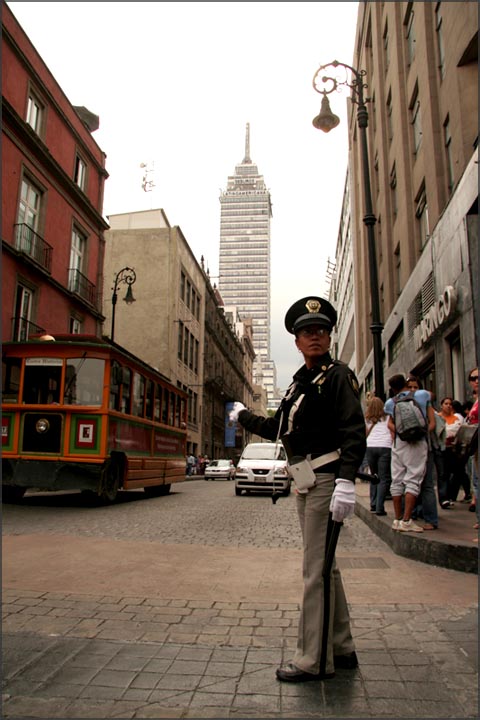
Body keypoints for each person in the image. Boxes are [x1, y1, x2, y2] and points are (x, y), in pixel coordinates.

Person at [229, 296, 366, 682]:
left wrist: (345, 480)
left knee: (314, 571)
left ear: (329, 336)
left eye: (321, 330)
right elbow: (279, 429)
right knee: (326, 568)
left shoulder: (338, 376)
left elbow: (353, 430)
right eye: (307, 332)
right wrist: (244, 417)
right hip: (306, 481)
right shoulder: (299, 384)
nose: (315, 336)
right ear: (297, 340)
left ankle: (314, 660)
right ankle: (341, 646)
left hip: (325, 479)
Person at [384, 374, 435, 533]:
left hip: (399, 443)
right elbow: (431, 396)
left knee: (397, 480)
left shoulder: (390, 402)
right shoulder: (421, 395)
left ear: (392, 388)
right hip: (417, 442)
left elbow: (391, 422)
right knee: (413, 478)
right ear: (406, 383)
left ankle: (397, 519)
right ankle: (407, 520)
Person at [405, 375, 439, 530]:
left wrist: (420, 432)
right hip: (408, 449)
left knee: (426, 485)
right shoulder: (402, 403)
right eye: (410, 387)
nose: (412, 390)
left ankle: (431, 519)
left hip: (425, 447)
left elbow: (432, 423)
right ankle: (413, 513)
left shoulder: (426, 404)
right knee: (410, 483)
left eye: (415, 387)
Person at [438, 397, 470, 503]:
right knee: (443, 473)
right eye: (446, 403)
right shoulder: (438, 417)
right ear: (441, 405)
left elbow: (458, 432)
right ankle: (444, 498)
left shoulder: (456, 419)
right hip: (442, 449)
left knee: (457, 471)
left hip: (453, 449)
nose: (448, 406)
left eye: (450, 404)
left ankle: (451, 496)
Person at [364, 396, 392, 516]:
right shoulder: (388, 418)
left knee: (373, 477)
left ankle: (373, 504)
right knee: (383, 478)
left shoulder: (367, 419)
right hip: (385, 447)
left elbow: (365, 434)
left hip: (370, 446)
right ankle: (380, 507)